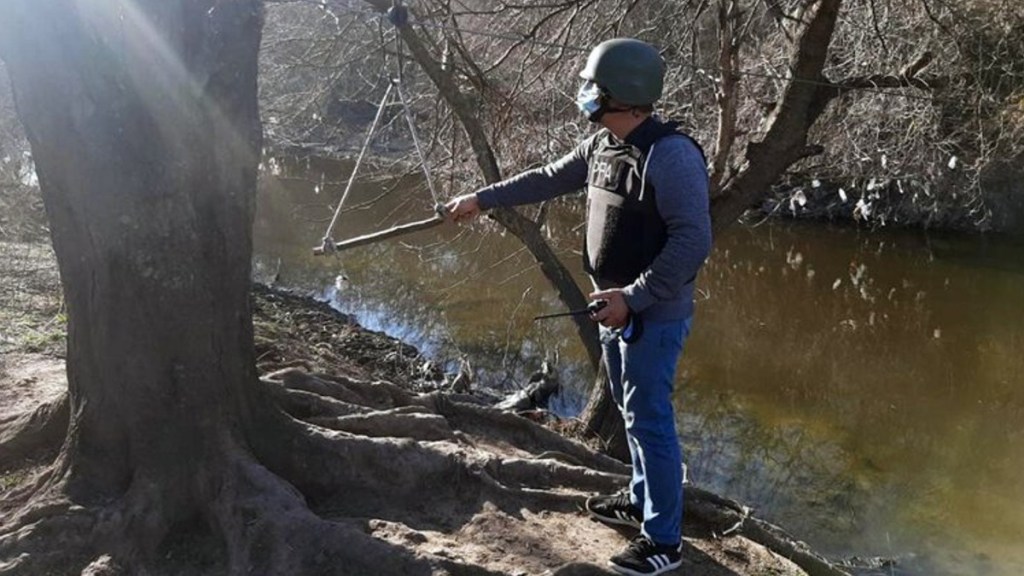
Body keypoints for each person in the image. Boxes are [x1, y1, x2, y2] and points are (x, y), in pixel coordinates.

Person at [445, 37, 711, 576]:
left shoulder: (671, 155)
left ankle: (664, 543)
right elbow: (547, 177)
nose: (586, 95)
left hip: (650, 315)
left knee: (650, 420)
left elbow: (692, 241)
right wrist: (482, 198)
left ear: (627, 95)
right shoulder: (602, 147)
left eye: (596, 88)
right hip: (612, 309)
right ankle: (641, 498)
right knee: (631, 410)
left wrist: (632, 298)